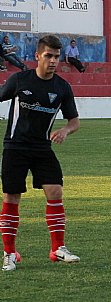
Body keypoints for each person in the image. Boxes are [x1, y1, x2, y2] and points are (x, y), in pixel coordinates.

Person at [0, 35, 80, 272]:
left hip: (42, 148)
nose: (53, 61)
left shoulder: (62, 87)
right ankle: (9, 253)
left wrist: (65, 130)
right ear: (38, 56)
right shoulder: (19, 80)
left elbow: (74, 121)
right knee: (12, 197)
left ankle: (57, 249)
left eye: (56, 56)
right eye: (48, 56)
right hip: (15, 147)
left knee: (55, 192)